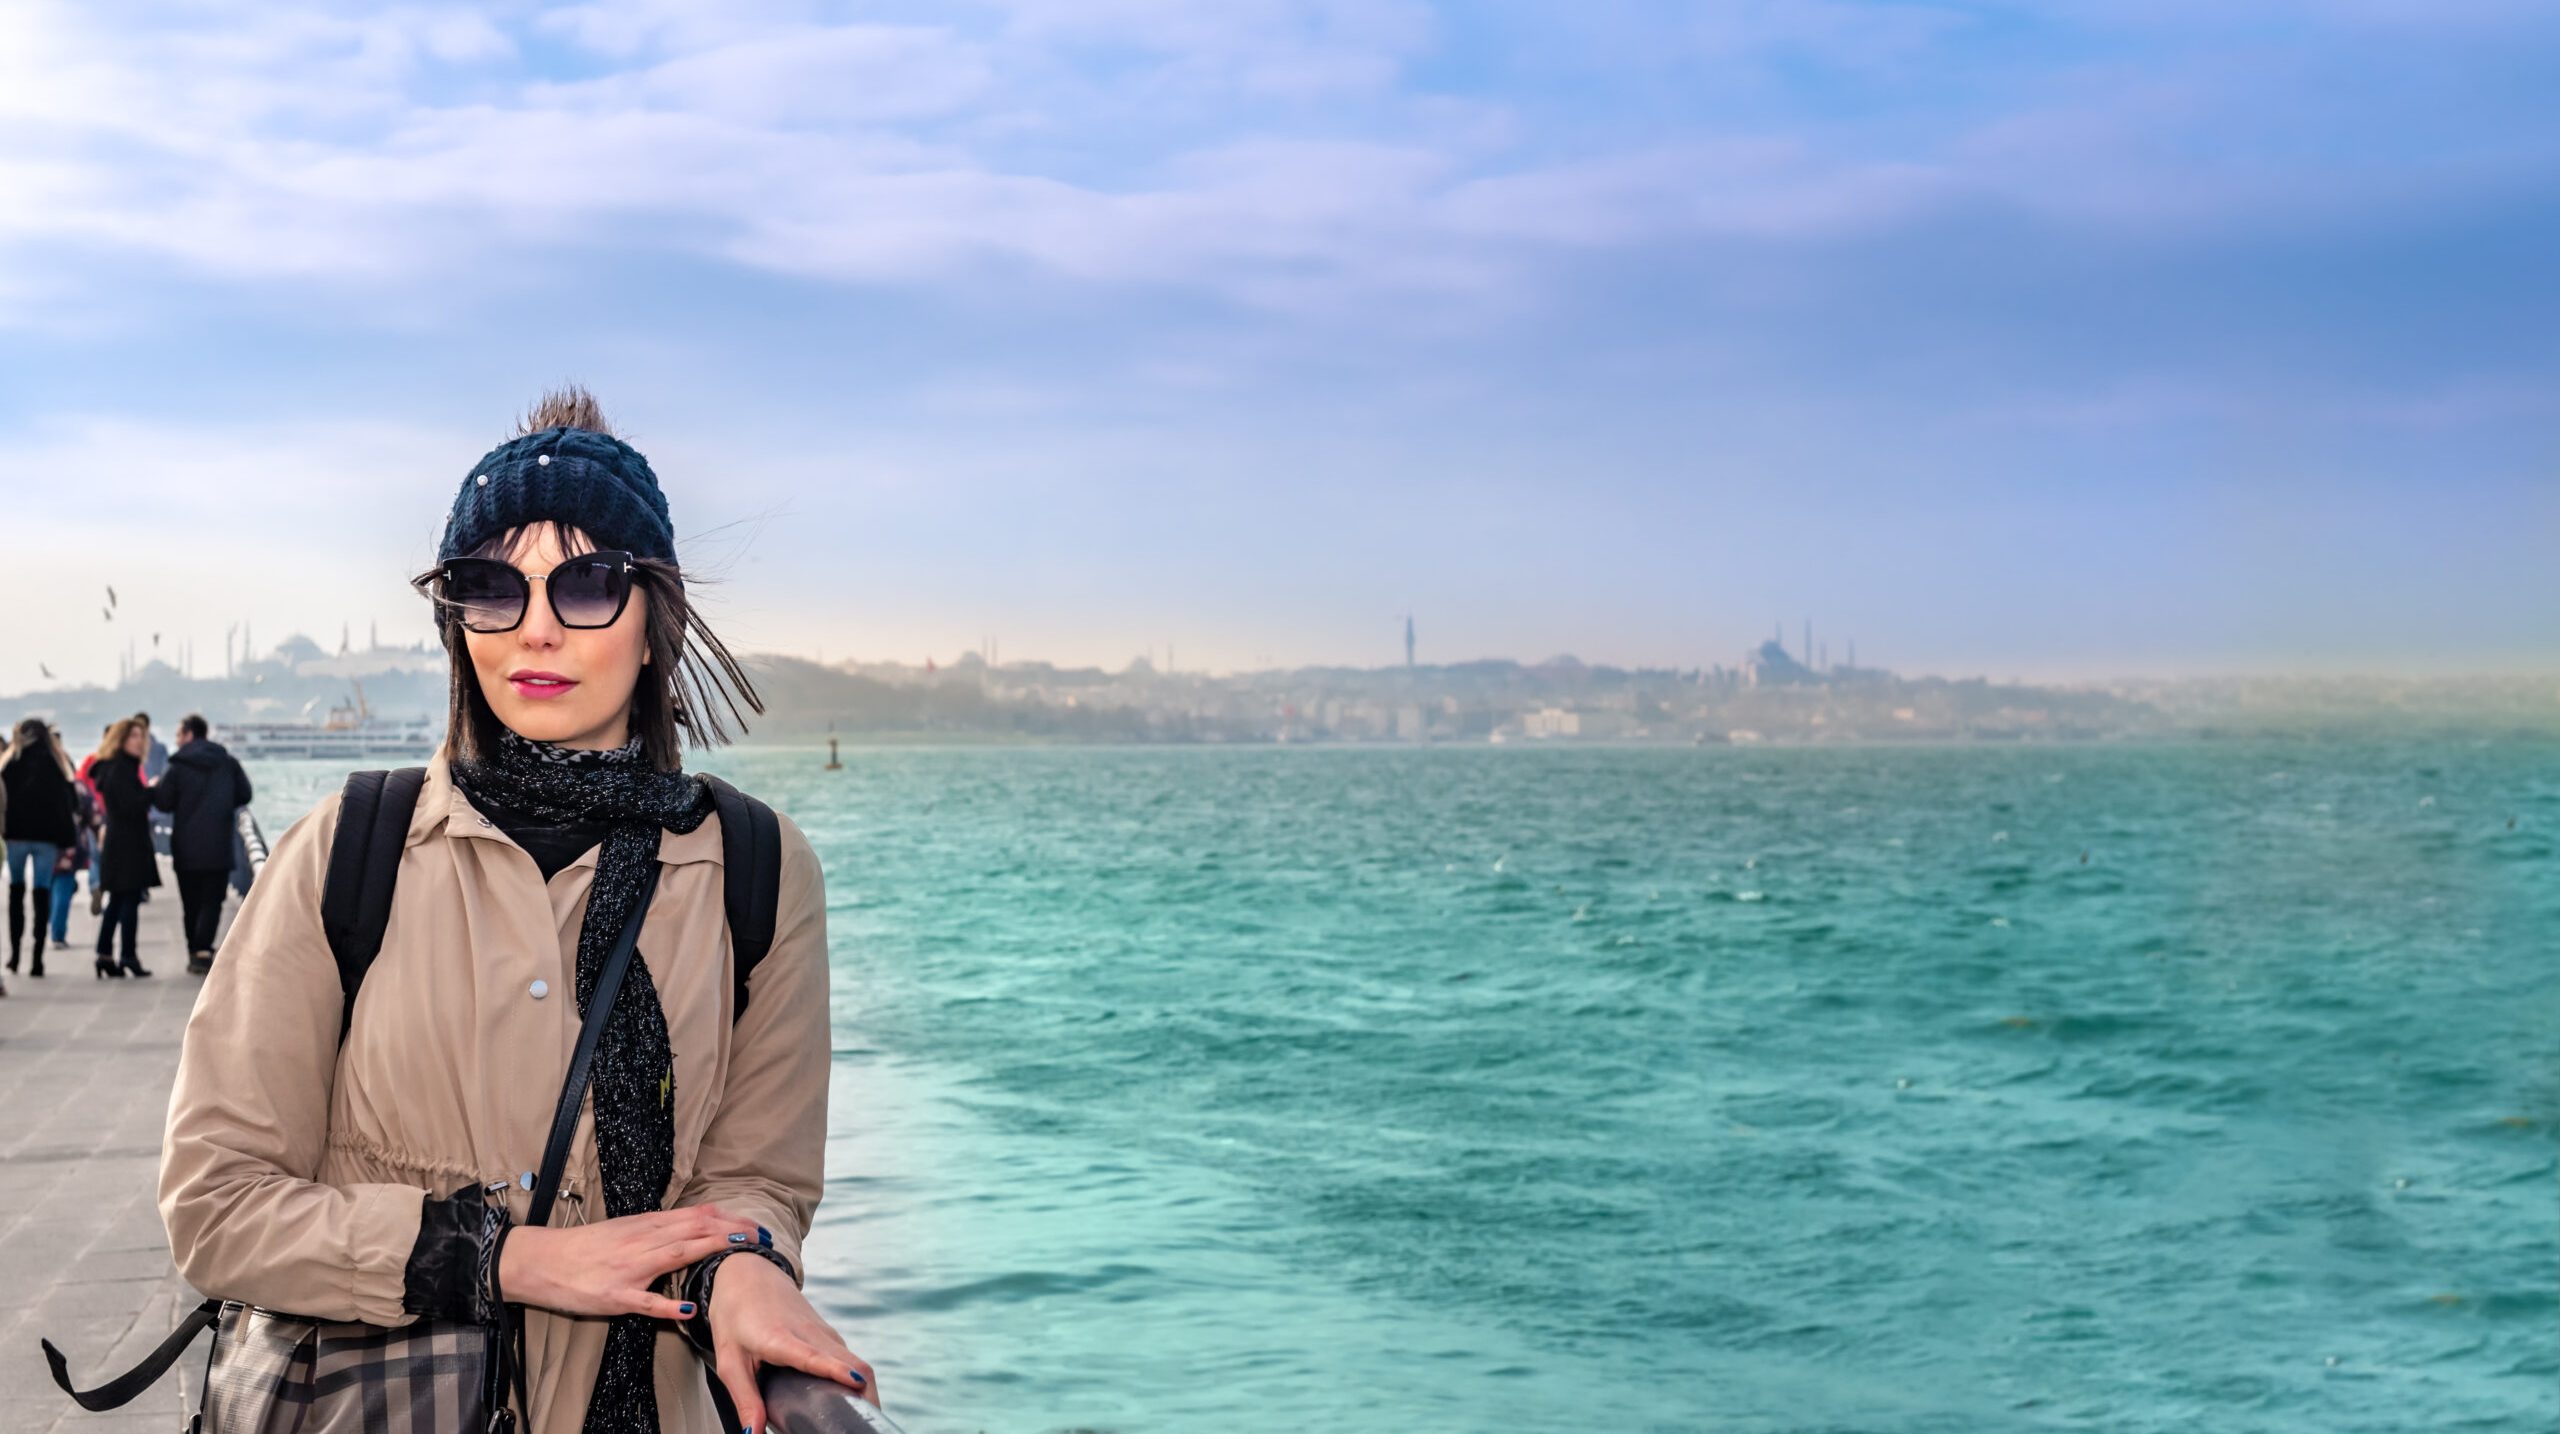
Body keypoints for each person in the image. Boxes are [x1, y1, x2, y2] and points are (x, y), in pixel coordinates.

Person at [161, 387, 881, 1434]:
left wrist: (748, 1264)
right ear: (456, 620)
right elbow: (215, 1206)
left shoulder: (757, 871)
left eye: (588, 583)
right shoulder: (346, 853)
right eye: (490, 586)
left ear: (654, 621)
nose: (535, 628)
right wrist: (505, 1259)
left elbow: (755, 1180)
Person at [153, 713, 253, 975]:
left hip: (185, 845)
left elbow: (163, 802)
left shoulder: (178, 765)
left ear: (188, 734)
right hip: (219, 843)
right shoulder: (227, 762)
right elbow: (245, 794)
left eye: (178, 735)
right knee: (213, 900)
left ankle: (194, 950)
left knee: (191, 902)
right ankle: (203, 948)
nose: (177, 741)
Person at [4, 716, 81, 979]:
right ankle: (37, 958)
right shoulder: (58, 764)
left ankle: (14, 956)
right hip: (47, 839)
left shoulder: (10, 763)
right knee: (41, 894)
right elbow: (71, 804)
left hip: (15, 837)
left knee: (16, 892)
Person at [89, 718, 159, 978]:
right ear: (120, 740)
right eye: (133, 736)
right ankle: (128, 955)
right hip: (126, 842)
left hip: (121, 840)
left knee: (118, 900)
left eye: (141, 736)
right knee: (128, 899)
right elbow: (130, 804)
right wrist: (151, 791)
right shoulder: (121, 768)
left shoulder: (115, 767)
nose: (140, 741)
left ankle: (105, 954)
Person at [51, 727, 99, 951]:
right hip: (68, 843)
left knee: (47, 887)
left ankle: (48, 925)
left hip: (41, 840)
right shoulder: (70, 779)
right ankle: (57, 933)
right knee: (63, 885)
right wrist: (98, 830)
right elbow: (90, 809)